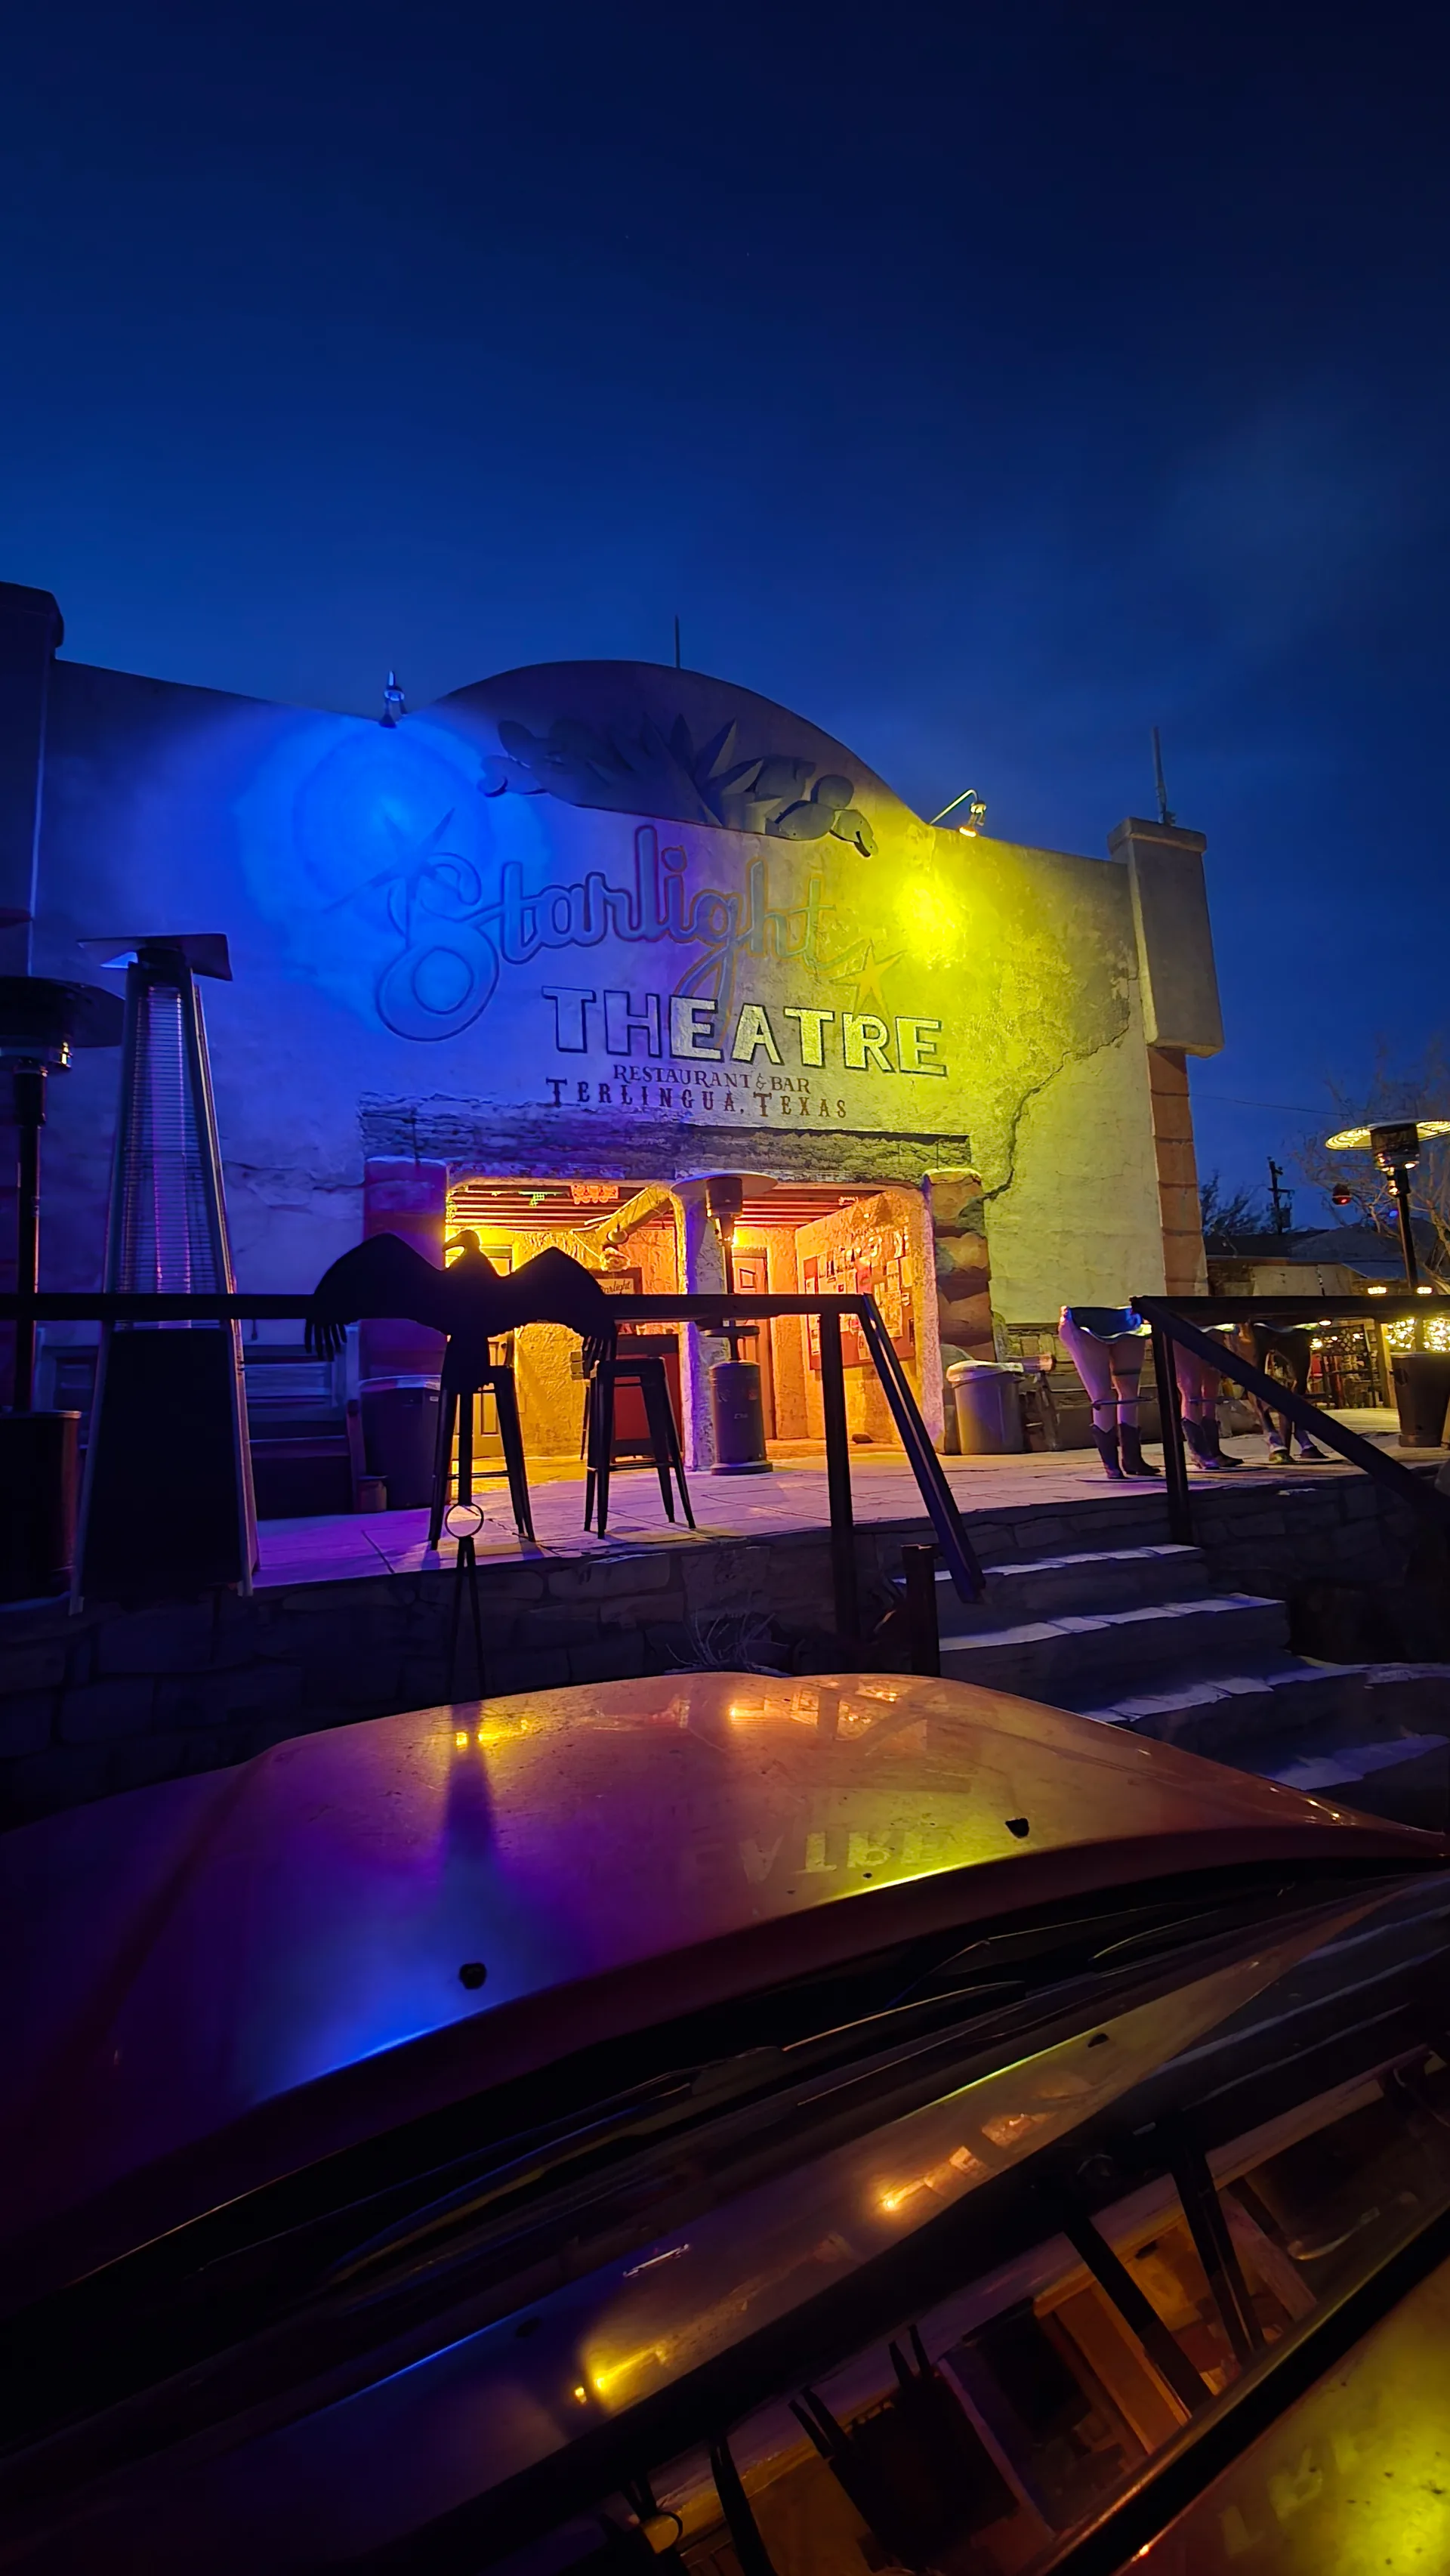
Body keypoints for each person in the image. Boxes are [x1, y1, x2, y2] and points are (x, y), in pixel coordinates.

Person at [1058, 1305, 1161, 1479]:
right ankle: (1111, 1464)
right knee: (1102, 1396)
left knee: (1129, 1392)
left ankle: (1132, 1459)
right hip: (1080, 1319)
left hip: (1128, 1318)